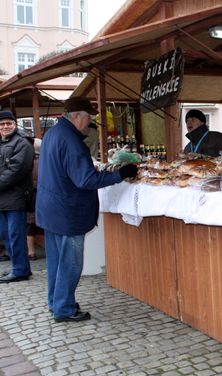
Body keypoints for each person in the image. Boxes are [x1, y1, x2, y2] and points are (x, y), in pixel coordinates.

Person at [36, 96, 138, 323]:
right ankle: (64, 308)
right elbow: (86, 180)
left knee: (56, 262)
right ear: (77, 117)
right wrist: (120, 174)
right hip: (68, 212)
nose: (89, 122)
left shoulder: (52, 134)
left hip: (51, 209)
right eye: (88, 118)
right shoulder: (72, 141)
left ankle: (56, 302)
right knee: (70, 263)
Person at [0, 110, 34, 283]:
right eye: (2, 124)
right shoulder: (2, 142)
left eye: (9, 123)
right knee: (6, 235)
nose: (5, 126)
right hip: (3, 198)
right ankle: (19, 267)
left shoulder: (22, 143)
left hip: (16, 198)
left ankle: (20, 270)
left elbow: (16, 171)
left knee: (15, 236)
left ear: (15, 124)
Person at [27, 138, 42, 261]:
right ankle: (50, 249)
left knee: (30, 225)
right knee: (45, 225)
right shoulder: (44, 162)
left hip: (30, 196)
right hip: (42, 195)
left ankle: (31, 252)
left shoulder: (27, 162)